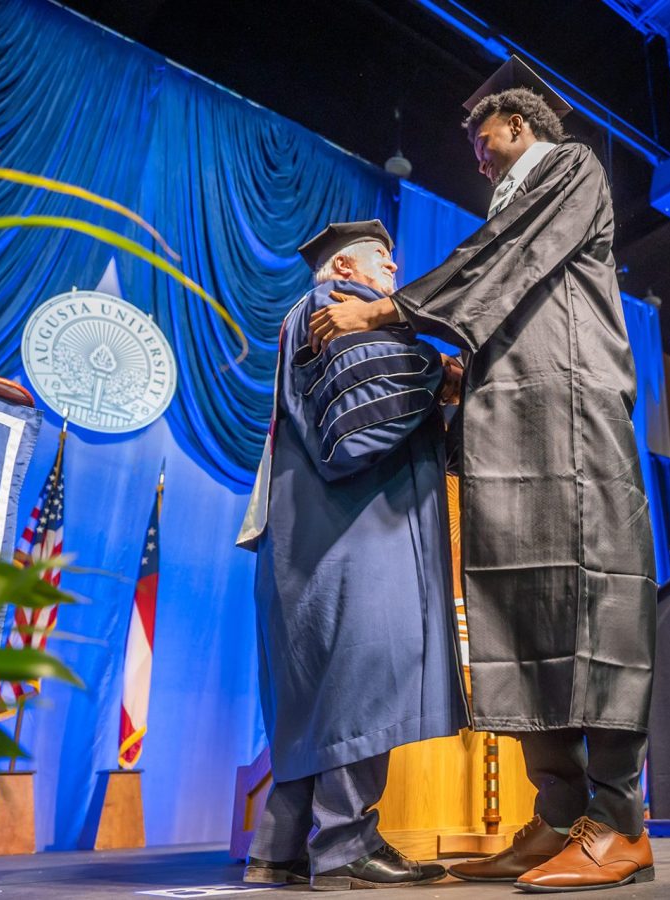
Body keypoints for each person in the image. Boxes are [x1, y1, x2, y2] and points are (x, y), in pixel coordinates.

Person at [308, 58, 657, 893]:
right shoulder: (514, 200)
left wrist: (386, 309)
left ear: (518, 124)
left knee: (593, 607)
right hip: (511, 425)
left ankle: (619, 825)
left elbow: (506, 258)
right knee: (523, 609)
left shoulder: (567, 169)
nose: (476, 151)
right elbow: (508, 293)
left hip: (569, 416)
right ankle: (561, 812)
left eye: (481, 135)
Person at [235, 219, 468, 891]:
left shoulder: (303, 319)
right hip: (350, 531)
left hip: (313, 533)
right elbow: (357, 432)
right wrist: (440, 370)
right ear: (343, 271)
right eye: (384, 263)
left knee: (314, 695)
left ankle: (278, 851)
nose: (394, 274)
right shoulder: (331, 313)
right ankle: (345, 847)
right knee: (360, 683)